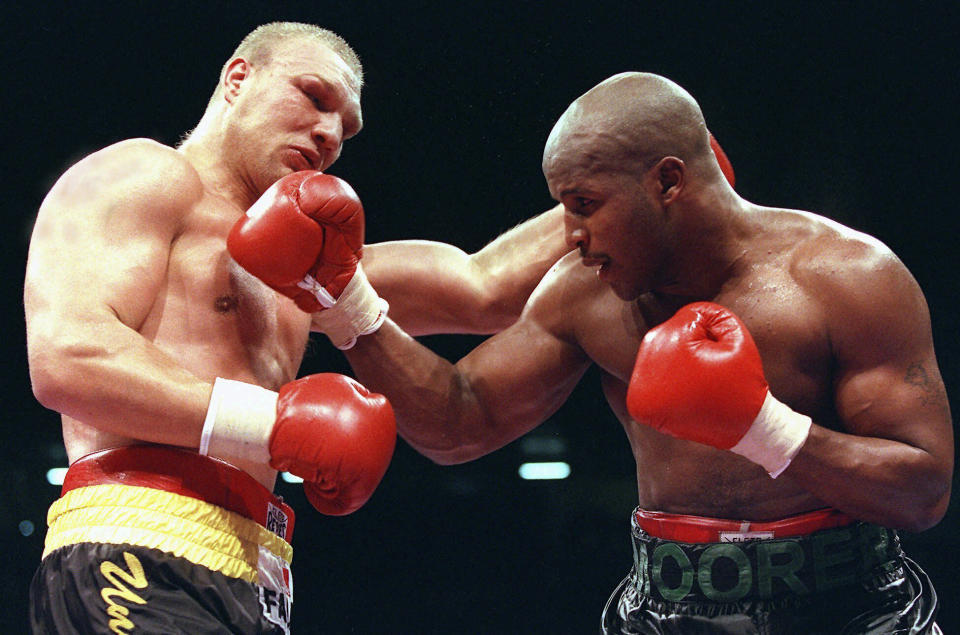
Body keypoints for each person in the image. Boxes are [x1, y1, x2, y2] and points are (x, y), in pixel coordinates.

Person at [284, 72, 953, 633]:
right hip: (666, 606)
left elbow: (924, 490)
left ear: (667, 182)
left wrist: (764, 429)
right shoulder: (586, 296)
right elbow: (461, 421)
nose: (570, 235)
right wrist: (348, 306)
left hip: (853, 609)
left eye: (585, 204)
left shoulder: (847, 278)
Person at [24, 21, 571, 633]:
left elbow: (484, 289)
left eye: (347, 127)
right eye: (314, 97)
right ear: (238, 79)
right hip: (132, 544)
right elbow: (67, 359)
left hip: (253, 571)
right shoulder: (140, 175)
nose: (331, 133)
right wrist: (273, 428)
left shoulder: (305, 266)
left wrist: (633, 179)